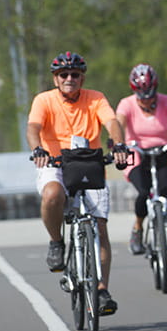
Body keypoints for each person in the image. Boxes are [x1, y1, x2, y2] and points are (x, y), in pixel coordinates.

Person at [27, 51, 128, 315]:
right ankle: (56, 242)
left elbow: (112, 122)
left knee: (100, 229)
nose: (69, 78)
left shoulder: (96, 98)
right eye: (64, 74)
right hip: (55, 164)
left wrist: (118, 144)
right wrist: (38, 149)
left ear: (82, 77)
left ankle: (102, 289)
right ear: (56, 78)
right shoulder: (44, 100)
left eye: (75, 74)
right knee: (52, 195)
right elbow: (33, 128)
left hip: (88, 163)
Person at [115, 63, 167, 266]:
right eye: (142, 96)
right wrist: (116, 142)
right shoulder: (126, 104)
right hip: (137, 154)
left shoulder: (166, 101)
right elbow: (119, 123)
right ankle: (137, 228)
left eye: (150, 94)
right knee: (143, 192)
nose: (147, 100)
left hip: (164, 152)